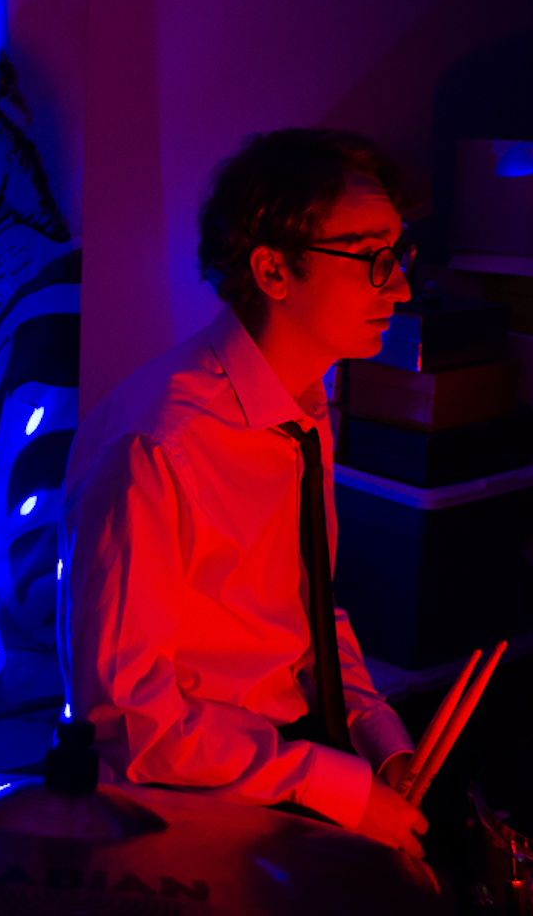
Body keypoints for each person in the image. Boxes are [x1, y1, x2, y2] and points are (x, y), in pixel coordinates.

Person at [58, 128, 428, 858]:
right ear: (273, 270)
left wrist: (376, 734)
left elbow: (305, 613)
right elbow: (132, 723)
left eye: (399, 255)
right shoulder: (156, 445)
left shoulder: (303, 407)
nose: (401, 288)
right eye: (371, 259)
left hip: (284, 760)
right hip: (182, 809)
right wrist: (330, 786)